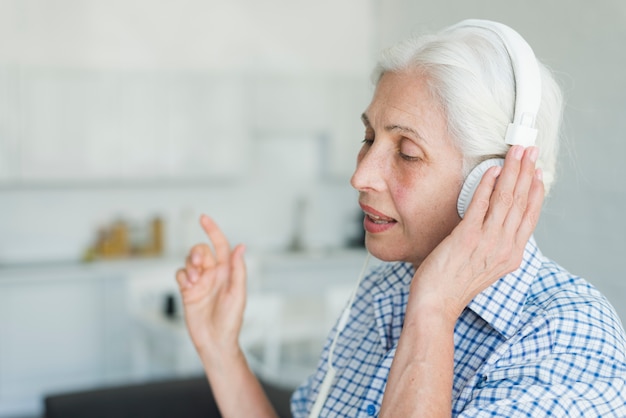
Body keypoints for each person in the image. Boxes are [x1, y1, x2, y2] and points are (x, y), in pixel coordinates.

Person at [175, 19, 626, 417]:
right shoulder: (382, 289)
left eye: (407, 153)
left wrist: (432, 312)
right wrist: (221, 350)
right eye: (368, 137)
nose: (360, 175)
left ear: (493, 180)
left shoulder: (567, 336)